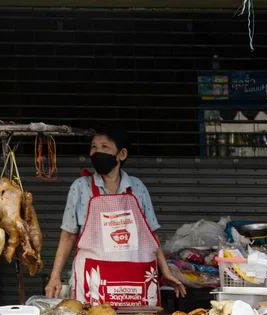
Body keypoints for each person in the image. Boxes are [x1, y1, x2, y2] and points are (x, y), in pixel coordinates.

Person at [45, 126, 186, 304]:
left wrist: (166, 271)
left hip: (135, 276)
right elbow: (68, 235)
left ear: (122, 154)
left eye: (105, 147)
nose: (97, 152)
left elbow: (151, 235)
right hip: (94, 277)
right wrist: (55, 275)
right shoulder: (80, 187)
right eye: (93, 147)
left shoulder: (137, 188)